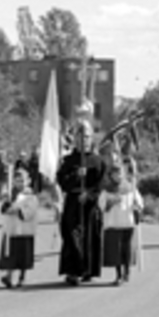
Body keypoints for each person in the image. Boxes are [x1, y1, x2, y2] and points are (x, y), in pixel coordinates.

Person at [56, 121, 106, 285]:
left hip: (90, 205)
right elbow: (62, 182)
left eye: (86, 136)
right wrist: (76, 175)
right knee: (72, 236)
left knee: (90, 236)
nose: (83, 140)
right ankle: (72, 271)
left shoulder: (98, 161)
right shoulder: (68, 160)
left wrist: (89, 195)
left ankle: (87, 269)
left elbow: (100, 184)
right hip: (73, 202)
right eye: (80, 136)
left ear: (91, 139)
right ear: (75, 139)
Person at [99, 163, 144, 285]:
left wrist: (137, 207)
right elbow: (101, 205)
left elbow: (139, 202)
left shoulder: (130, 188)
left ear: (123, 174)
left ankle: (127, 271)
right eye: (115, 174)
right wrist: (110, 202)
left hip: (127, 222)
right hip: (113, 223)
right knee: (116, 251)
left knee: (126, 249)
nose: (118, 176)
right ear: (111, 175)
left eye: (120, 173)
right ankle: (118, 274)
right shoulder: (107, 189)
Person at [0, 167, 40, 289]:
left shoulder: (30, 196)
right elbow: (4, 209)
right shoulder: (11, 194)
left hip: (24, 230)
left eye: (22, 180)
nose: (19, 183)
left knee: (23, 255)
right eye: (17, 180)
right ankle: (8, 276)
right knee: (11, 254)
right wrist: (6, 206)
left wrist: (18, 210)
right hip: (11, 229)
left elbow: (30, 211)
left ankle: (22, 277)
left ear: (27, 181)